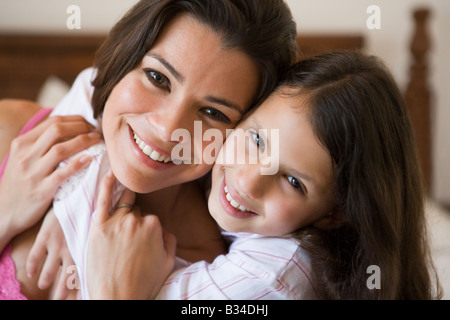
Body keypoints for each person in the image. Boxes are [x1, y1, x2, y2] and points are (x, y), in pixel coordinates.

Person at [0, 0, 298, 300]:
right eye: (158, 78)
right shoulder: (12, 133)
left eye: (213, 112)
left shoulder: (212, 281)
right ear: (122, 58)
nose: (168, 130)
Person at [87, 51, 442, 299]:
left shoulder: (275, 276)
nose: (248, 181)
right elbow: (91, 83)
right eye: (256, 139)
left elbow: (118, 288)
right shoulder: (205, 146)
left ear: (335, 216)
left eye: (293, 182)